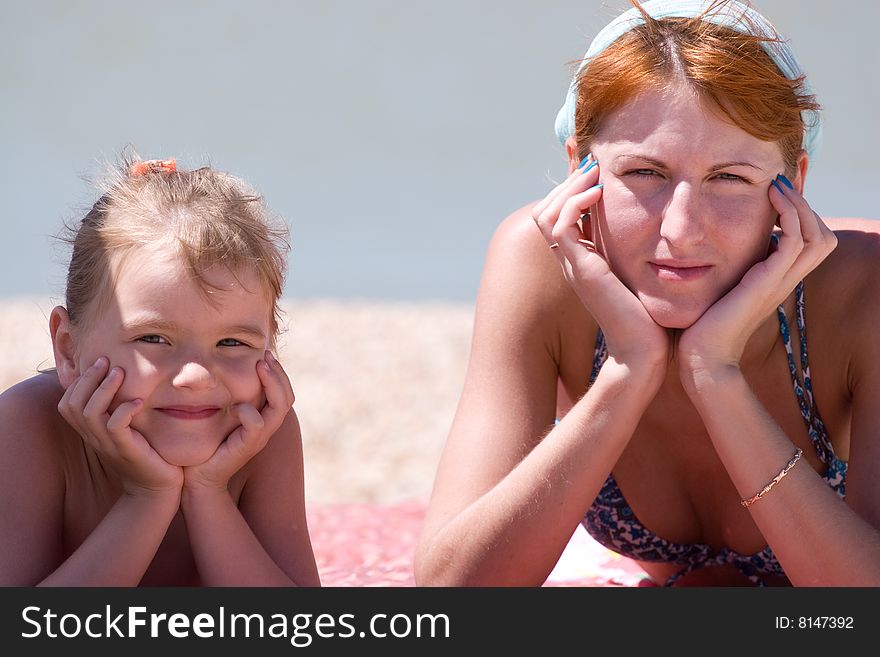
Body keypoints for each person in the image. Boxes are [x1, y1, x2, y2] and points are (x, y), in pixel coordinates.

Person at [415, 0, 880, 586]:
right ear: (579, 167)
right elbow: (451, 593)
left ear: (796, 183)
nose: (681, 230)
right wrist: (627, 370)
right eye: (645, 173)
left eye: (730, 177)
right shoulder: (543, 267)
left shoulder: (863, 291)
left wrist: (715, 373)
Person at [0, 155, 320, 586]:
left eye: (232, 343)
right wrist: (148, 497)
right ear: (68, 348)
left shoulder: (265, 431)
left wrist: (209, 493)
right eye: (153, 339)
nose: (196, 377)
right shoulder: (28, 425)